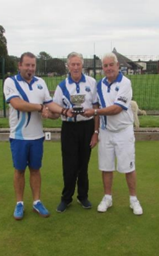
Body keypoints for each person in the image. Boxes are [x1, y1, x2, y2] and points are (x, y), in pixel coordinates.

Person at [3, 52, 73, 220]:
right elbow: (16, 103)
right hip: (19, 136)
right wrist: (39, 107)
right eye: (27, 65)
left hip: (36, 136)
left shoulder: (40, 83)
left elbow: (49, 104)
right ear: (19, 65)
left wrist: (64, 111)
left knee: (36, 169)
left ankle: (36, 202)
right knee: (19, 170)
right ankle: (19, 203)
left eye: (33, 65)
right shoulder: (10, 82)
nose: (30, 68)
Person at [83, 52, 143, 215]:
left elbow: (116, 108)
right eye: (105, 65)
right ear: (102, 68)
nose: (108, 68)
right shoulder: (99, 85)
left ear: (117, 66)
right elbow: (96, 107)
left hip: (124, 131)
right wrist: (96, 131)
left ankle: (133, 199)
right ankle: (107, 197)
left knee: (128, 167)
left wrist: (95, 111)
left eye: (111, 65)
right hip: (106, 131)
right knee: (106, 167)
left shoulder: (125, 83)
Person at [50, 52, 99, 213]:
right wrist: (59, 112)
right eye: (73, 64)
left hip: (87, 127)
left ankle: (83, 196)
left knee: (83, 165)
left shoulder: (92, 83)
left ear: (82, 65)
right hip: (69, 129)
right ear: (68, 66)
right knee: (69, 165)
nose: (76, 67)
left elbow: (96, 109)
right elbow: (55, 110)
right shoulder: (62, 86)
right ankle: (66, 198)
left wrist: (95, 132)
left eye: (78, 64)